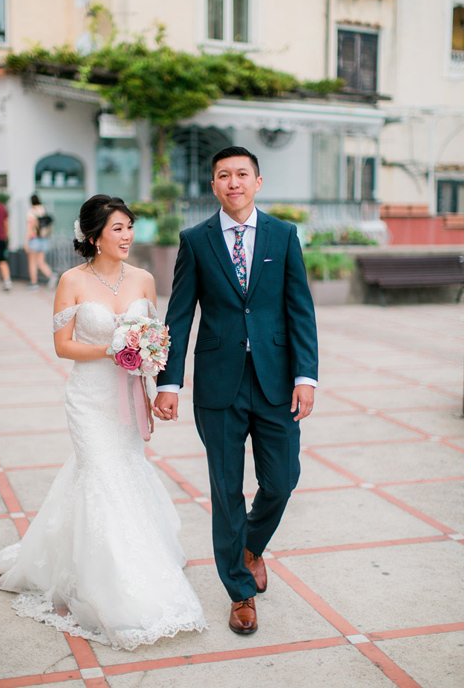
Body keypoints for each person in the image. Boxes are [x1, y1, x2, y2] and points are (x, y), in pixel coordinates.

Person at [0, 194, 207, 650]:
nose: (127, 236)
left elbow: (154, 343)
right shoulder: (71, 281)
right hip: (89, 397)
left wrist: (149, 380)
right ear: (93, 235)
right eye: (118, 228)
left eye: (129, 227)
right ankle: (113, 587)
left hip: (127, 396)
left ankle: (131, 558)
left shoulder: (143, 279)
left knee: (124, 472)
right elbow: (63, 345)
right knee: (101, 475)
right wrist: (113, 348)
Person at [153, 146, 318, 635]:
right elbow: (179, 315)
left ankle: (249, 545)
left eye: (242, 174)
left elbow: (300, 310)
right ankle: (240, 591)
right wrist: (168, 382)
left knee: (282, 479)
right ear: (213, 185)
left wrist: (305, 377)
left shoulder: (284, 236)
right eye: (223, 175)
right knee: (226, 491)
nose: (233, 183)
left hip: (276, 380)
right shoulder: (196, 240)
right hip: (218, 385)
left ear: (258, 181)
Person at [25, 193, 57, 290]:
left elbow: (30, 228)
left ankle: (34, 284)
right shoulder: (43, 210)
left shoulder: (31, 211)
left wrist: (26, 242)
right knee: (41, 262)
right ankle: (52, 276)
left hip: (34, 240)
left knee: (32, 263)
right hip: (44, 239)